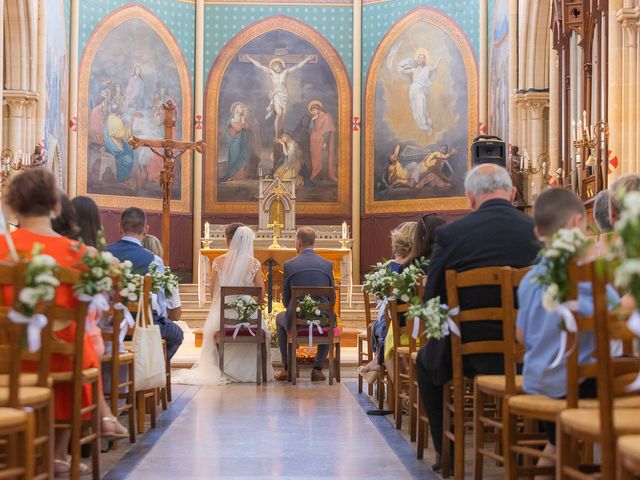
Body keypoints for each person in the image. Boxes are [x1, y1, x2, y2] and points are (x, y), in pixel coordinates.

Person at [415, 164, 540, 471]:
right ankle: (529, 451)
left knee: (424, 361)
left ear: (470, 198)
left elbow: (431, 298)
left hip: (469, 354)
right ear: (512, 193)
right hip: (528, 354)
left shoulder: (450, 234)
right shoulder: (537, 232)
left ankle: (449, 453)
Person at [0, 169, 97, 475]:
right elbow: (90, 314)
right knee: (79, 345)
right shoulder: (80, 253)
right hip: (61, 364)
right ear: (56, 207)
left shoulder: (3, 247)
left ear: (13, 207)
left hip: (4, 363)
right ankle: (56, 452)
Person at [516, 188, 619, 478]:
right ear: (577, 223)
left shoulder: (529, 279)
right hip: (578, 386)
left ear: (538, 233)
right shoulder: (586, 273)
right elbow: (614, 315)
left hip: (539, 382)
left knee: (556, 442)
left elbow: (522, 337)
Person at [51, 194, 130, 444]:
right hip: (90, 342)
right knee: (85, 343)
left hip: (41, 338)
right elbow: (111, 308)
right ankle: (100, 416)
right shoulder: (100, 259)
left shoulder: (48, 252)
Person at [173, 223, 273, 384]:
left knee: (214, 326)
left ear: (228, 240)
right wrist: (246, 304)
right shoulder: (254, 264)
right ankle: (253, 372)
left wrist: (227, 305)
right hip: (249, 315)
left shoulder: (218, 262)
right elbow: (260, 295)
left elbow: (214, 294)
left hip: (224, 315)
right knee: (264, 331)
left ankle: (222, 370)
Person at [106, 207, 184, 359]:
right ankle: (149, 371)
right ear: (146, 229)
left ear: (119, 228)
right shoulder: (154, 260)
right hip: (143, 325)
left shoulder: (104, 253)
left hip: (110, 324)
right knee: (177, 335)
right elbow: (159, 302)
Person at [274, 227, 335, 382]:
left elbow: (286, 300)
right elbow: (332, 298)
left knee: (279, 318)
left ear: (298, 242)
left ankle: (288, 368)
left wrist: (298, 312)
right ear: (314, 242)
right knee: (331, 318)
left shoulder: (290, 265)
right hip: (322, 319)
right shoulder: (327, 265)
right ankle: (318, 368)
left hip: (296, 319)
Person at [359, 221, 416, 384]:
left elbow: (380, 300)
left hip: (395, 321)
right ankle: (378, 363)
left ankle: (378, 362)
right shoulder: (422, 266)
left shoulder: (389, 268)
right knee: (384, 327)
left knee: (381, 327)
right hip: (418, 323)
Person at [246, 55, 313, 139]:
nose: (277, 68)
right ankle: (277, 135)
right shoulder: (272, 73)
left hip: (284, 95)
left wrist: (307, 59)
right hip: (277, 95)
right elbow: (259, 66)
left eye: (278, 66)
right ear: (273, 68)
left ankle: (280, 132)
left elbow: (297, 67)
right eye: (275, 67)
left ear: (281, 66)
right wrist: (250, 59)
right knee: (279, 113)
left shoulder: (285, 72)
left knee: (283, 115)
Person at [142, 234, 182, 322]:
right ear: (159, 250)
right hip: (158, 325)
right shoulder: (168, 277)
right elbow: (175, 315)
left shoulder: (134, 273)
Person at [397, 51, 440, 134]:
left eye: (422, 58)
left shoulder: (427, 69)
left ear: (425, 60)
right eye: (419, 57)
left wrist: (439, 60)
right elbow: (404, 71)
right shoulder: (413, 70)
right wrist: (399, 68)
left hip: (421, 91)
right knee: (416, 110)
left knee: (422, 109)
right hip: (413, 92)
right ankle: (426, 126)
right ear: (417, 59)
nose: (421, 59)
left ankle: (427, 127)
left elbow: (434, 67)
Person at [308, 101, 337, 182]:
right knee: (316, 158)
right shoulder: (315, 118)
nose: (313, 113)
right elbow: (311, 129)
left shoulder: (327, 117)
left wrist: (325, 142)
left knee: (324, 158)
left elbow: (328, 130)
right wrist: (312, 120)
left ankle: (326, 176)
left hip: (323, 141)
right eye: (312, 111)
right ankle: (317, 175)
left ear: (318, 108)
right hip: (315, 143)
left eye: (313, 110)